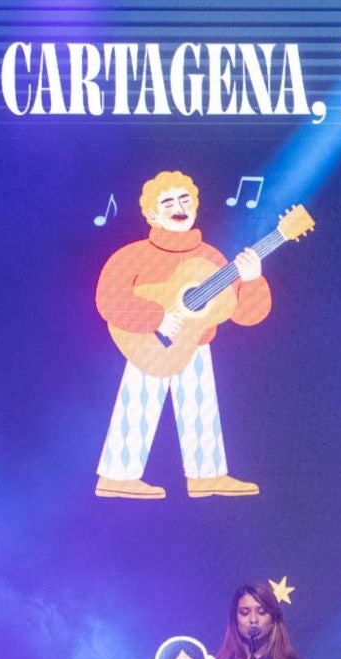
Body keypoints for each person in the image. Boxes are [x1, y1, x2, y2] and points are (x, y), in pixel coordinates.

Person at [94, 170, 264, 499]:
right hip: (146, 345)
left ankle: (207, 475)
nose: (178, 207)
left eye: (185, 199)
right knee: (137, 405)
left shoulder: (211, 258)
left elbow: (245, 313)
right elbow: (109, 300)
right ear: (152, 214)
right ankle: (117, 475)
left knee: (200, 406)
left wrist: (253, 279)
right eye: (168, 201)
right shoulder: (132, 256)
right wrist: (154, 317)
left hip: (194, 347)